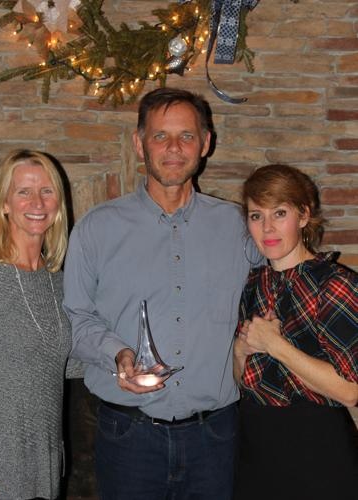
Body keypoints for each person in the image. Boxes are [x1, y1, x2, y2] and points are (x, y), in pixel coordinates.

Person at [63, 87, 261, 500]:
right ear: (139, 143)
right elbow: (77, 318)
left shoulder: (241, 227)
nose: (174, 148)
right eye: (160, 136)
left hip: (216, 437)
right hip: (128, 437)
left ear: (205, 143)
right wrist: (118, 354)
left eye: (186, 136)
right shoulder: (96, 229)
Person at [233, 164, 358, 500]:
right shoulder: (253, 285)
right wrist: (240, 352)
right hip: (255, 447)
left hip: (316, 450)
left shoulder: (335, 284)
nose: (267, 228)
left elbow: (349, 391)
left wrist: (275, 345)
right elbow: (242, 380)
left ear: (304, 216)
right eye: (256, 216)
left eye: (280, 213)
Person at [0, 149, 72, 499]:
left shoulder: (59, 283)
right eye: (23, 191)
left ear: (58, 203)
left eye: (47, 190)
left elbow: (61, 361)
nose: (37, 201)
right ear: (5, 204)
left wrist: (122, 363)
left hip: (47, 468)